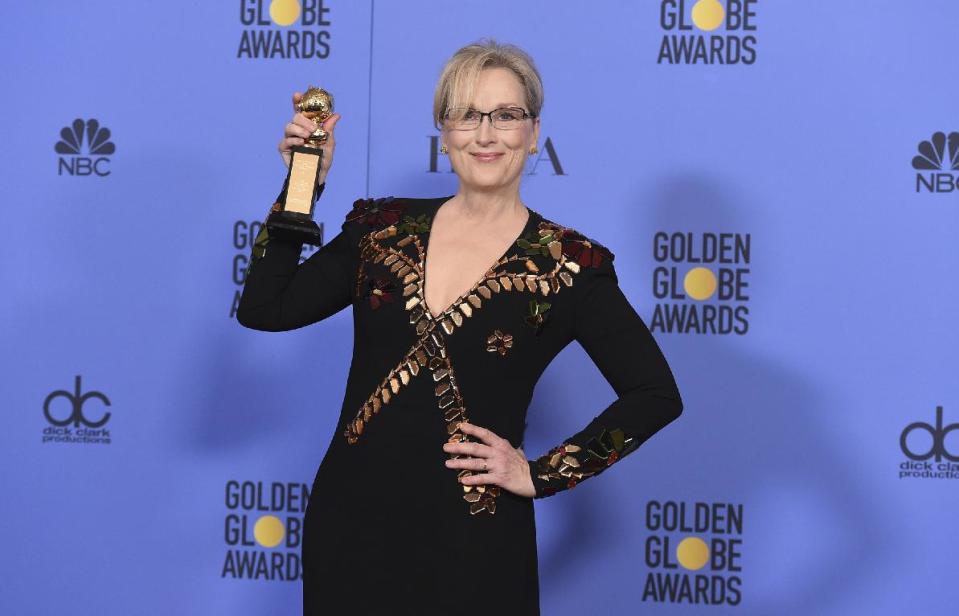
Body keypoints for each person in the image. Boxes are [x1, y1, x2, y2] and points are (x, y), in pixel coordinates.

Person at [237, 39, 683, 616]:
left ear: (534, 132)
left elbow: (656, 395)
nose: (487, 133)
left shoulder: (568, 266)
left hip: (476, 538)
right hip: (350, 523)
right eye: (467, 115)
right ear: (443, 132)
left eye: (506, 115)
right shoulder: (382, 230)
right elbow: (265, 309)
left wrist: (542, 473)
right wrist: (303, 187)